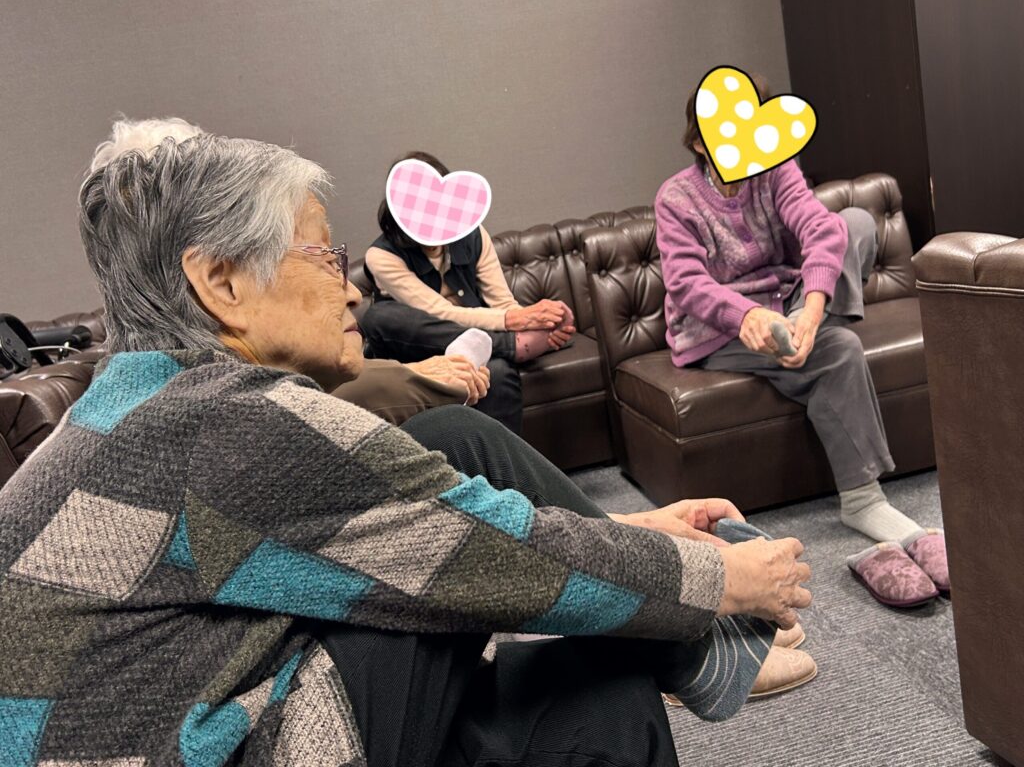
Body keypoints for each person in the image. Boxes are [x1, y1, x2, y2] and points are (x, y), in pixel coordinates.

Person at [0, 119, 812, 767]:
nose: (350, 289)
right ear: (221, 282)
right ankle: (687, 642)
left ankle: (676, 643)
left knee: (582, 667)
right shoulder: (230, 425)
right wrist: (725, 579)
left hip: (212, 708)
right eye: (325, 253)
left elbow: (416, 537)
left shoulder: (131, 409)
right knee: (499, 578)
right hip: (218, 740)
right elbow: (473, 551)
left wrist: (635, 535)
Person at [656, 74, 936, 549]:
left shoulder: (775, 166)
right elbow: (686, 283)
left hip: (786, 299)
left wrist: (810, 310)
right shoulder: (675, 198)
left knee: (853, 223)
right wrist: (746, 317)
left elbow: (819, 229)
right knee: (840, 348)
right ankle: (863, 501)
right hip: (716, 327)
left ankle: (807, 333)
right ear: (699, 144)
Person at [359, 151, 576, 434]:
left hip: (478, 341)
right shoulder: (381, 256)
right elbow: (438, 311)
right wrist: (518, 332)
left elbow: (501, 301)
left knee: (498, 372)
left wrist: (538, 323)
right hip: (420, 344)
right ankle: (510, 346)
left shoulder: (473, 233)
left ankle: (502, 463)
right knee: (379, 316)